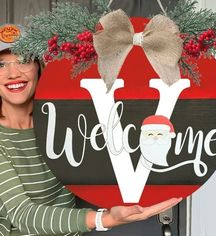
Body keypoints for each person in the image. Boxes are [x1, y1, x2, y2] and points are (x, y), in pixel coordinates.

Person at [0, 24, 182, 236]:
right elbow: (23, 215)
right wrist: (104, 219)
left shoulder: (63, 120)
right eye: (1, 65)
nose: (13, 73)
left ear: (38, 66)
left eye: (23, 59)